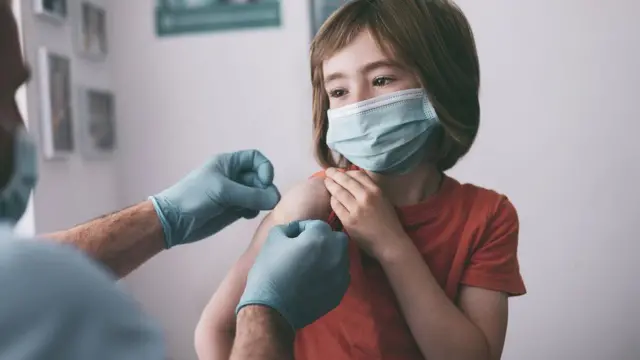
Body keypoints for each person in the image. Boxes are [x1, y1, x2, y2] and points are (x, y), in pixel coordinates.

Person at [0, 1, 349, 359]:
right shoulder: (46, 297)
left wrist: (162, 216)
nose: (20, 125)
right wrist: (266, 316)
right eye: (7, 96)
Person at [197, 0, 526, 359]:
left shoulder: (488, 217)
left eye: (381, 80)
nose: (359, 105)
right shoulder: (313, 203)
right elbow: (217, 328)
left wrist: (392, 245)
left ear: (441, 85)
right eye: (338, 92)